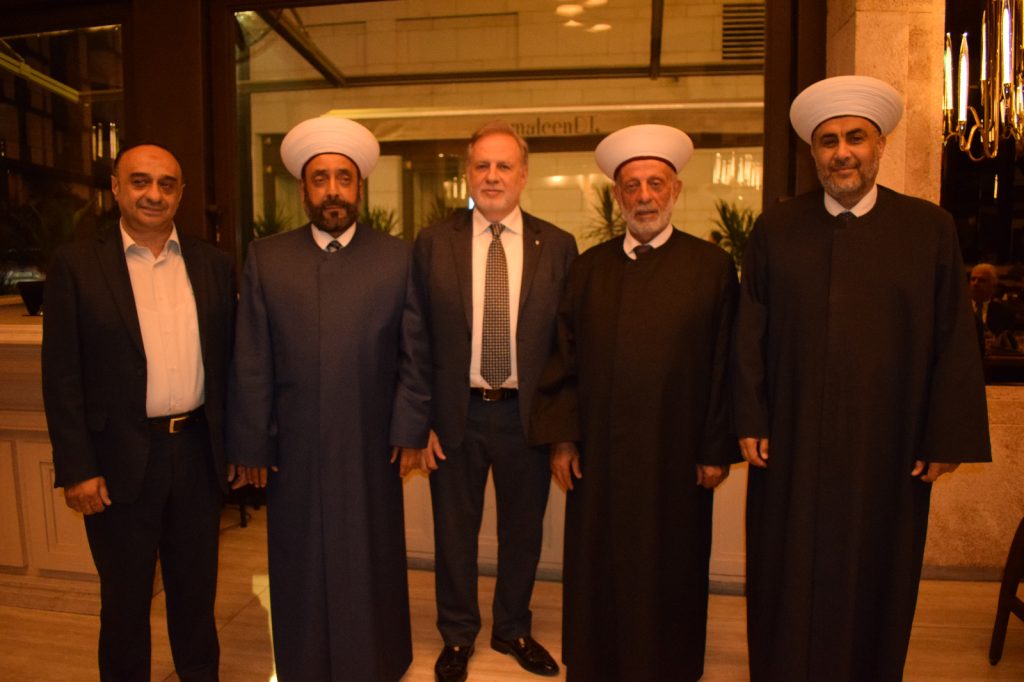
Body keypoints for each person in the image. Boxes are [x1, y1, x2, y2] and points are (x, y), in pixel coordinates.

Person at [732, 75, 992, 681]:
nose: (842, 152)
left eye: (855, 138)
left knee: (880, 568)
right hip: (791, 443)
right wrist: (750, 417)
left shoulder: (928, 228)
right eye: (829, 141)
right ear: (814, 152)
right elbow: (749, 333)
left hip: (890, 446)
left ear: (879, 146)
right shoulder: (777, 229)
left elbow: (955, 337)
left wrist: (945, 436)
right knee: (784, 568)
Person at [530, 124, 739, 681]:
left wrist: (713, 449)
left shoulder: (712, 267)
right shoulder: (588, 268)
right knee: (600, 566)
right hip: (600, 461)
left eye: (655, 183)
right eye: (632, 186)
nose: (644, 196)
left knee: (673, 564)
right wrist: (563, 439)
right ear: (618, 195)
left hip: (677, 458)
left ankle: (670, 666)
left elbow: (724, 364)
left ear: (675, 190)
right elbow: (564, 358)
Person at [228, 116, 430, 681]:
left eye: (344, 178)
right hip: (293, 448)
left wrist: (409, 430)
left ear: (359, 187)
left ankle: (378, 660)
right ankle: (305, 663)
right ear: (303, 189)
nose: (333, 190)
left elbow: (414, 354)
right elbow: (251, 357)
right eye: (321, 179)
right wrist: (252, 444)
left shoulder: (396, 256)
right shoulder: (268, 257)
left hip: (371, 444)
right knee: (300, 557)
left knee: (370, 556)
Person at [42, 143, 237, 681]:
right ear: (116, 188)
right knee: (125, 606)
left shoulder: (214, 265)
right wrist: (77, 468)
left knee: (196, 600)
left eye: (166, 184)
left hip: (196, 455)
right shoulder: (77, 266)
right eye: (140, 181)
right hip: (117, 461)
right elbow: (61, 377)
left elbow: (230, 366)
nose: (154, 194)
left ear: (181, 193)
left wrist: (237, 449)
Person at [400, 121, 576, 682]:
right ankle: (457, 636)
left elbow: (567, 346)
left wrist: (561, 429)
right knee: (454, 535)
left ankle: (512, 628)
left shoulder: (558, 245)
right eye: (482, 165)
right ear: (468, 174)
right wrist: (421, 420)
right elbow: (415, 337)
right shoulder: (434, 243)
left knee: (523, 532)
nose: (492, 176)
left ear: (523, 176)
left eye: (504, 166)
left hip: (527, 416)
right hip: (457, 415)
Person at [969, 262, 1017, 339]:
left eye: (981, 280)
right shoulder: (958, 308)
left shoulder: (1005, 314)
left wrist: (995, 340)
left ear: (993, 287)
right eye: (973, 279)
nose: (975, 283)